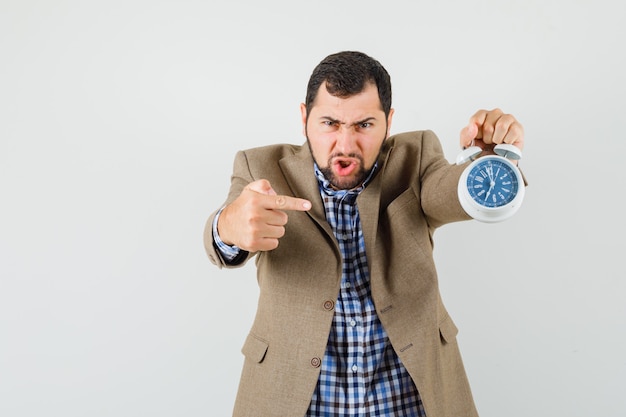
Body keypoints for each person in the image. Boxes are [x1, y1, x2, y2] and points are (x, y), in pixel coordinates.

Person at [204, 51, 525, 417]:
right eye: (329, 123)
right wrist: (229, 225)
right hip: (295, 399)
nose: (345, 144)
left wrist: (488, 165)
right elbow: (224, 236)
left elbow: (448, 192)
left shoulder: (415, 157)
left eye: (364, 125)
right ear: (304, 118)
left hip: (406, 400)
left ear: (388, 122)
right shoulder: (258, 165)